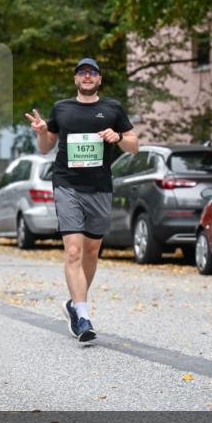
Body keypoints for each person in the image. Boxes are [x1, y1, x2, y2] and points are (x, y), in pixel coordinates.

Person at [26, 57, 139, 342]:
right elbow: (46, 147)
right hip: (67, 185)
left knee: (91, 251)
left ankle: (73, 304)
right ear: (76, 79)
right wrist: (42, 133)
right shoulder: (62, 109)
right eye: (82, 73)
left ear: (99, 79)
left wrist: (117, 137)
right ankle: (84, 317)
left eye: (92, 73)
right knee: (74, 251)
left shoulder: (112, 108)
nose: (87, 76)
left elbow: (134, 145)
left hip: (99, 187)